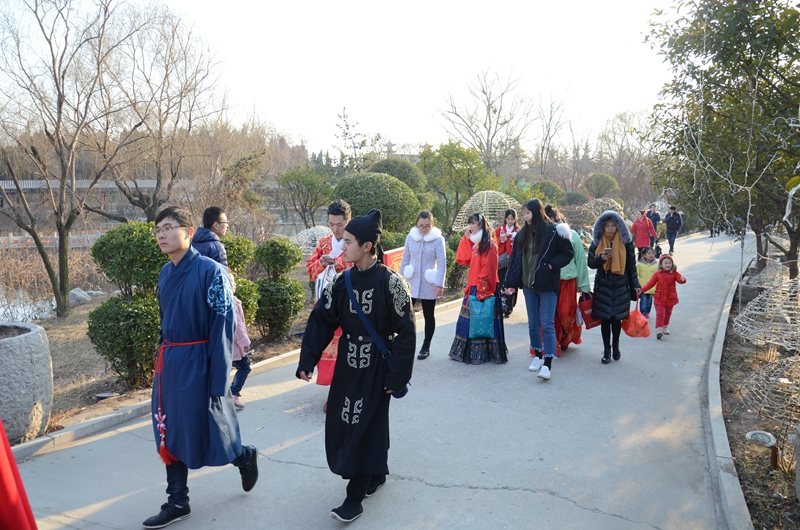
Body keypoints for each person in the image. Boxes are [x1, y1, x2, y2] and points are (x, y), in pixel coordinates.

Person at [296, 209, 415, 523]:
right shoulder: (341, 281)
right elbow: (321, 320)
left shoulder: (392, 283)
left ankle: (354, 496)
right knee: (344, 420)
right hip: (348, 364)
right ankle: (375, 472)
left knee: (367, 423)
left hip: (378, 366)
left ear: (366, 246)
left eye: (348, 241)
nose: (342, 245)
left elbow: (406, 333)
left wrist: (397, 376)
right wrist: (307, 359)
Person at [143, 207, 258, 529]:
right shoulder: (165, 274)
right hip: (171, 364)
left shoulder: (211, 272)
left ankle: (243, 455)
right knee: (168, 429)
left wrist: (219, 378)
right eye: (158, 230)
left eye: (168, 227)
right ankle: (177, 499)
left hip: (202, 360)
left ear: (189, 231)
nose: (162, 235)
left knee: (213, 427)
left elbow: (223, 326)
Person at [503, 200, 573, 380]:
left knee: (547, 324)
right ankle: (538, 355)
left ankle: (548, 363)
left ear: (536, 211)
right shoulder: (522, 234)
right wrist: (510, 281)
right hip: (528, 286)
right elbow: (516, 260)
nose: (525, 216)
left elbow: (567, 253)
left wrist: (551, 265)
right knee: (533, 323)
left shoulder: (553, 231)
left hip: (547, 285)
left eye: (527, 213)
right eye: (524, 213)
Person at [305, 200, 353, 409]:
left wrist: (340, 263)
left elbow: (365, 266)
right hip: (327, 304)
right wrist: (322, 263)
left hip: (350, 306)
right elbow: (310, 268)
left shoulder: (357, 242)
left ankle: (345, 391)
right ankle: (335, 390)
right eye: (331, 224)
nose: (335, 229)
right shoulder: (324, 243)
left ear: (348, 221)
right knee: (329, 350)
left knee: (347, 350)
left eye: (340, 225)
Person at [449, 213, 508, 365]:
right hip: (474, 285)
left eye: (472, 224)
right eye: (469, 224)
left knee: (482, 319)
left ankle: (483, 354)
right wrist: (466, 239)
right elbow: (464, 259)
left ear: (480, 224)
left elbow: (488, 269)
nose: (470, 227)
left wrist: (482, 289)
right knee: (472, 320)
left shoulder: (490, 245)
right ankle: (473, 353)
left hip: (483, 287)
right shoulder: (478, 243)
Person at [587, 210, 641, 364]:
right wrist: (601, 258)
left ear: (618, 227)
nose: (610, 229)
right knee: (605, 319)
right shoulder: (597, 242)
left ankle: (616, 346)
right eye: (607, 226)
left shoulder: (626, 242)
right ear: (602, 228)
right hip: (603, 285)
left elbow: (631, 265)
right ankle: (606, 350)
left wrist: (635, 284)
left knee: (616, 320)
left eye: (613, 226)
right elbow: (590, 263)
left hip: (620, 285)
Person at [400, 211, 446, 360]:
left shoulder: (438, 240)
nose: (424, 229)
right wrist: (400, 280)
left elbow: (442, 263)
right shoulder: (410, 237)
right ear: (416, 224)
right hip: (411, 281)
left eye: (427, 226)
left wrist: (439, 283)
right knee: (405, 315)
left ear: (432, 225)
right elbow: (405, 259)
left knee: (428, 315)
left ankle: (426, 346)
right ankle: (406, 344)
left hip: (429, 282)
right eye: (421, 226)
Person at [544, 205, 590, 354]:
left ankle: (565, 339)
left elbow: (580, 260)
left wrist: (584, 285)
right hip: (549, 280)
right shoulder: (543, 236)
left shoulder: (572, 235)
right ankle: (553, 341)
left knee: (565, 312)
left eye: (552, 220)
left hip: (568, 280)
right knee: (551, 313)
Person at [639, 254, 687, 340]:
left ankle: (665, 326)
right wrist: (641, 290)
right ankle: (659, 329)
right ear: (661, 264)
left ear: (672, 264)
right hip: (659, 298)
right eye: (666, 263)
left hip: (670, 298)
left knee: (668, 313)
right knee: (660, 313)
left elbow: (679, 279)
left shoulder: (674, 273)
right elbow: (650, 284)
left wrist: (682, 279)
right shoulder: (657, 274)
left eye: (669, 263)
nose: (668, 265)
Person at [228, 271, 252, 410]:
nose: (234, 285)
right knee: (244, 367)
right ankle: (233, 393)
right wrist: (245, 343)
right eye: (232, 283)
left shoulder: (230, 301)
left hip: (229, 345)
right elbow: (237, 326)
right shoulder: (231, 303)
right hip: (235, 346)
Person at [494, 209, 520, 318]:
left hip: (513, 261)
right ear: (505, 218)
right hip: (501, 261)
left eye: (512, 219)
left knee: (511, 284)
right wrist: (501, 239)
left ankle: (509, 306)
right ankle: (500, 306)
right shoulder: (499, 230)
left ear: (515, 219)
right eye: (508, 218)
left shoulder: (518, 230)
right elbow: (494, 242)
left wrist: (512, 240)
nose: (510, 221)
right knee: (500, 283)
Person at [636, 247, 658, 320]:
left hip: (652, 288)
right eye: (649, 253)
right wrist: (636, 285)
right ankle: (643, 313)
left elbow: (659, 276)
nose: (651, 255)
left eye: (652, 253)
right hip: (643, 288)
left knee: (649, 302)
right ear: (644, 255)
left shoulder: (656, 265)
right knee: (643, 302)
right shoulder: (640, 265)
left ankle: (647, 312)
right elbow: (636, 275)